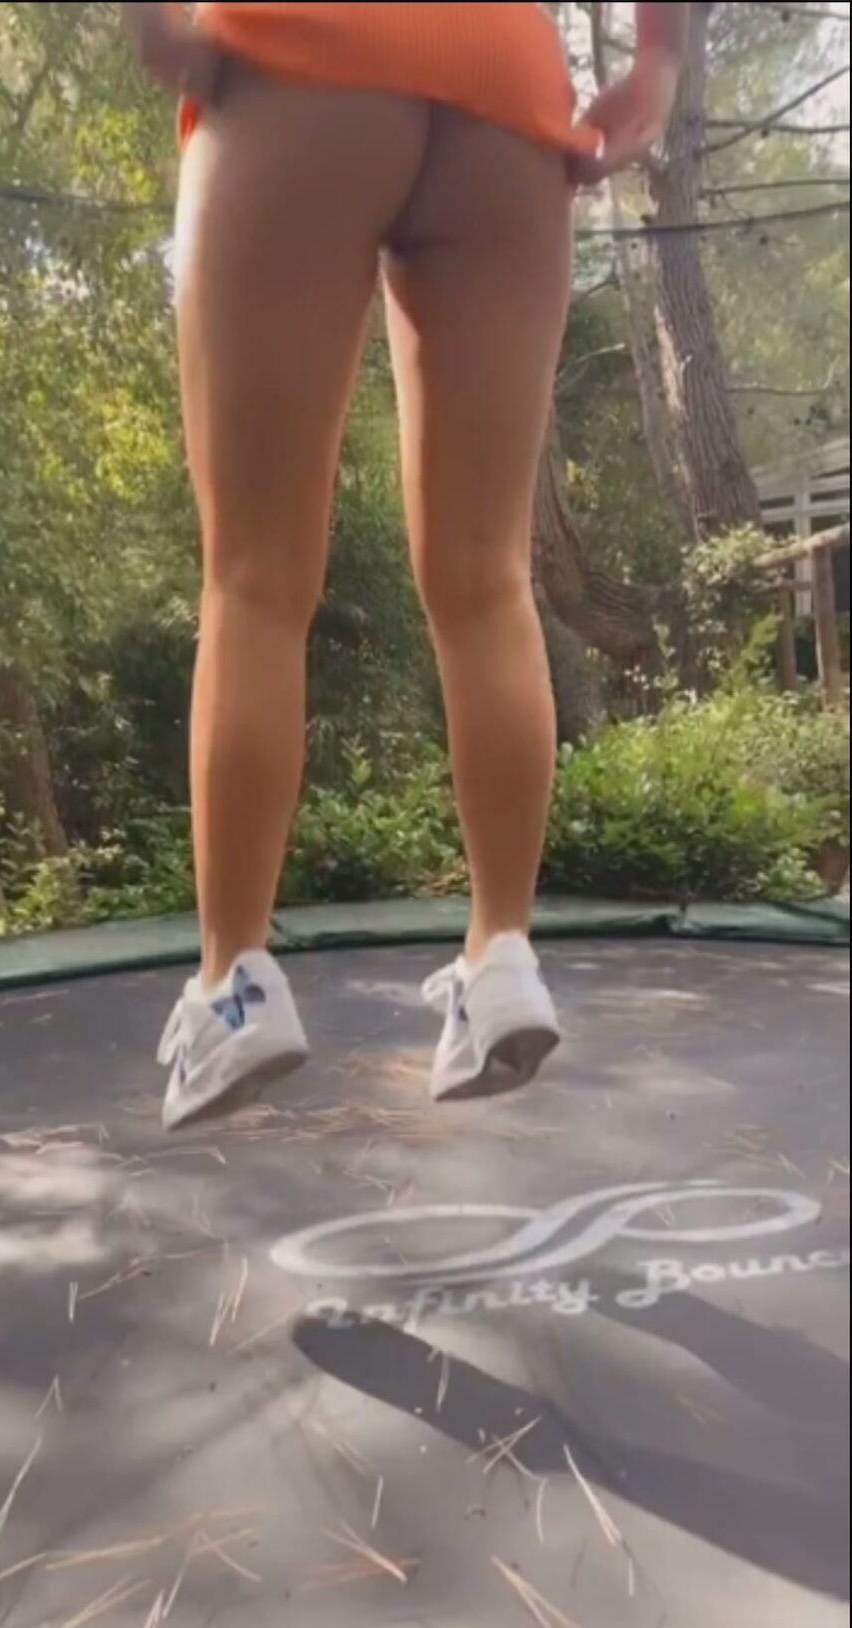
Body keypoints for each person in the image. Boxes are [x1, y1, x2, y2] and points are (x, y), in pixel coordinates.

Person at [123, 1, 689, 1130]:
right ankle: (503, 956)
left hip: (297, 52)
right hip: (504, 86)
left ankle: (234, 987)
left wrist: (152, 18)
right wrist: (659, 63)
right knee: (487, 580)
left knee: (255, 578)